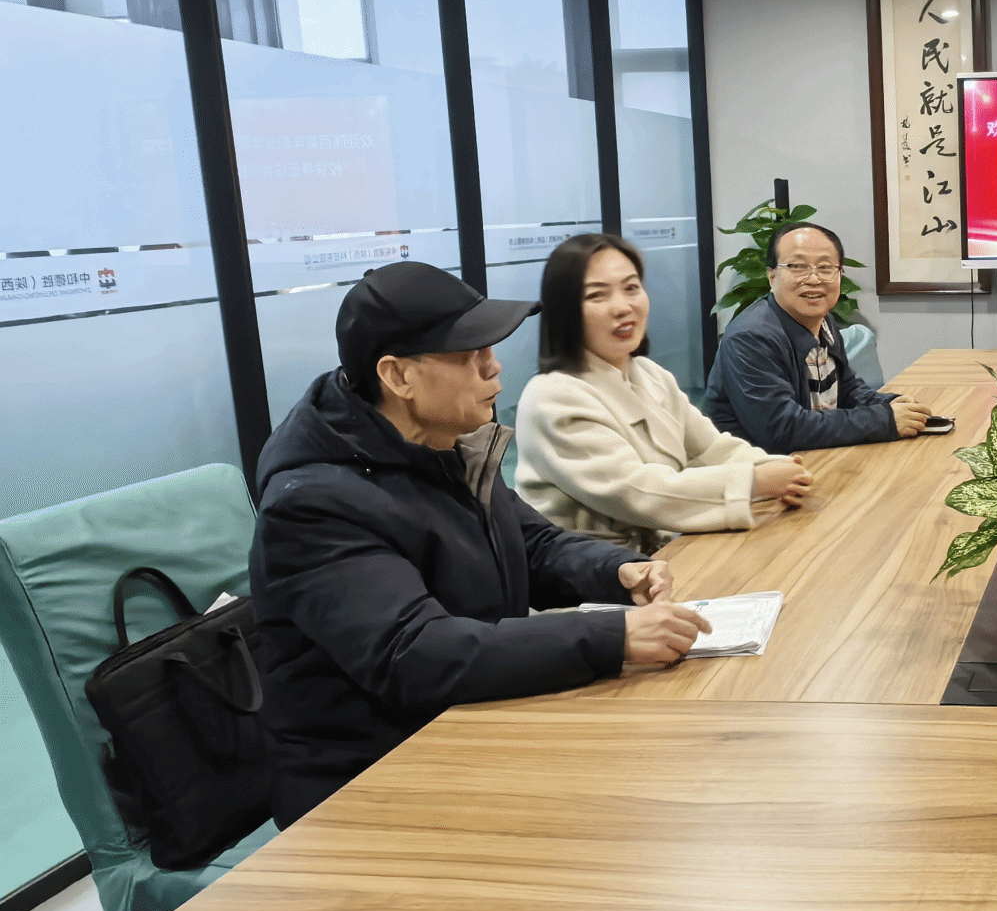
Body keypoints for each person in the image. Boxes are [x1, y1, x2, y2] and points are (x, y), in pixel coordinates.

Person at [250, 261, 715, 827]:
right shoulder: (314, 504)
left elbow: (532, 543)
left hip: (471, 728)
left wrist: (617, 571)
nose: (493, 367)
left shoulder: (441, 441)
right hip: (372, 786)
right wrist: (610, 636)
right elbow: (414, 653)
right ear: (398, 376)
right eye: (469, 355)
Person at [514, 234, 814, 554]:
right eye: (597, 295)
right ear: (565, 311)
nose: (623, 306)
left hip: (664, 556)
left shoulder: (649, 374)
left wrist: (776, 468)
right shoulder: (552, 396)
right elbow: (639, 492)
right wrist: (754, 482)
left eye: (631, 288)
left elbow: (709, 448)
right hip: (594, 576)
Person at [702, 221, 931, 453]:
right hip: (749, 469)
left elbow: (846, 390)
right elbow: (782, 429)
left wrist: (888, 404)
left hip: (810, 458)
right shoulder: (750, 338)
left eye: (825, 267)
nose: (813, 279)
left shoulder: (823, 321)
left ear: (839, 274)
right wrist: (884, 420)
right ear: (772, 277)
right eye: (797, 266)